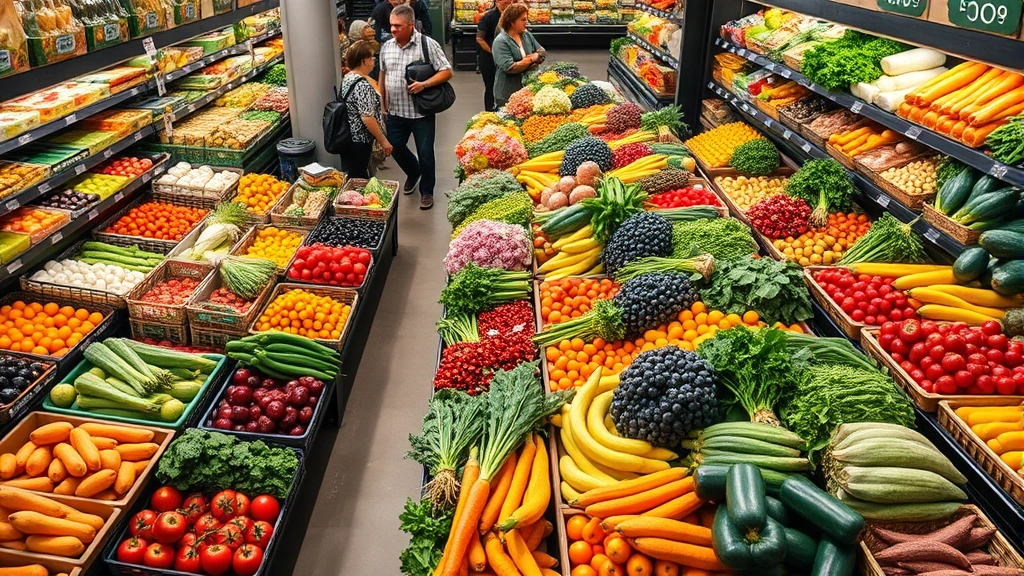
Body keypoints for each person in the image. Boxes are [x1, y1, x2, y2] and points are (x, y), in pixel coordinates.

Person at [379, 3, 452, 209]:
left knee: (426, 152)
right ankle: (413, 171)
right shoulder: (387, 47)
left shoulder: (427, 45)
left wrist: (424, 84)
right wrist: (383, 104)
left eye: (398, 26)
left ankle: (427, 191)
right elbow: (383, 75)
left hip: (421, 113)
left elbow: (446, 71)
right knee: (395, 146)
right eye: (391, 25)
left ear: (411, 25)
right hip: (395, 112)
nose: (393, 29)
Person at [338, 42, 393, 179]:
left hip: (348, 138)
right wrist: (383, 141)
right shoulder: (362, 85)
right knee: (357, 178)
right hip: (359, 141)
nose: (373, 59)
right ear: (364, 60)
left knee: (354, 174)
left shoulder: (348, 78)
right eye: (371, 57)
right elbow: (367, 117)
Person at [492, 2, 544, 109]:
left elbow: (542, 52)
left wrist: (527, 60)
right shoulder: (501, 41)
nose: (527, 22)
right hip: (507, 95)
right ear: (512, 22)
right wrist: (532, 59)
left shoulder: (526, 35)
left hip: (527, 91)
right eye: (523, 19)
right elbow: (510, 68)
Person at [476, 0, 511, 111]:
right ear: (497, 2)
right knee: (490, 86)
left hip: (507, 57)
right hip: (488, 59)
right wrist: (493, 51)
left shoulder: (512, 16)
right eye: (506, 2)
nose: (508, 5)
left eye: (510, 2)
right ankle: (489, 112)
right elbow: (479, 39)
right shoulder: (488, 17)